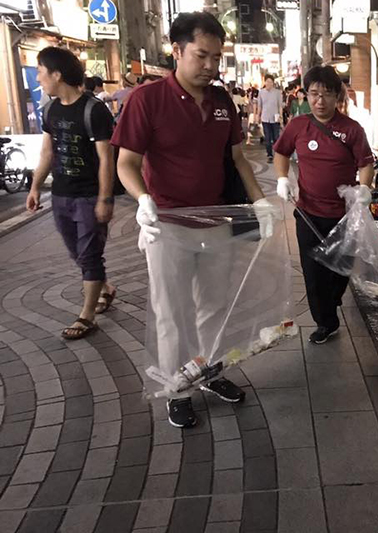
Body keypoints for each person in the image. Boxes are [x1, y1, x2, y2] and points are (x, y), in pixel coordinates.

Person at [112, 12, 274, 429]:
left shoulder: (221, 102)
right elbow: (126, 162)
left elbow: (237, 158)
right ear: (177, 50)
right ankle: (177, 388)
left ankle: (209, 373)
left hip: (216, 221)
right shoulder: (147, 99)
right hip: (167, 224)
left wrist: (261, 203)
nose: (210, 65)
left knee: (215, 307)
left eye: (216, 57)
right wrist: (143, 200)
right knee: (172, 312)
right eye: (201, 55)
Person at [273, 66, 374, 344]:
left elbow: (366, 163)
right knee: (314, 273)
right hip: (308, 214)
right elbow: (281, 152)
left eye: (326, 94)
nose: (319, 101)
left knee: (340, 270)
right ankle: (325, 322)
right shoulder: (298, 125)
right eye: (314, 94)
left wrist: (365, 188)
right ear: (306, 95)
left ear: (337, 96)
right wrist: (282, 178)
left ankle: (331, 301)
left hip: (344, 216)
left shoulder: (352, 129)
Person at [26, 47, 117, 340]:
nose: (38, 78)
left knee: (90, 256)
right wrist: (35, 187)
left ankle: (86, 316)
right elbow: (47, 153)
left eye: (41, 71)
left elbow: (106, 158)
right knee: (76, 252)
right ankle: (105, 287)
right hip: (61, 196)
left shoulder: (94, 110)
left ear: (57, 74)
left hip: (89, 196)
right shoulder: (50, 110)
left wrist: (105, 198)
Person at [256, 74, 283, 162]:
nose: (269, 83)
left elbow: (280, 106)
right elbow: (259, 106)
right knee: (267, 138)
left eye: (271, 82)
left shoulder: (278, 92)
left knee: (276, 138)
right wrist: (258, 116)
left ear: (273, 83)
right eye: (267, 81)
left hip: (275, 118)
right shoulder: (261, 92)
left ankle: (277, 154)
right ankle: (270, 155)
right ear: (265, 82)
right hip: (265, 118)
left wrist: (281, 117)